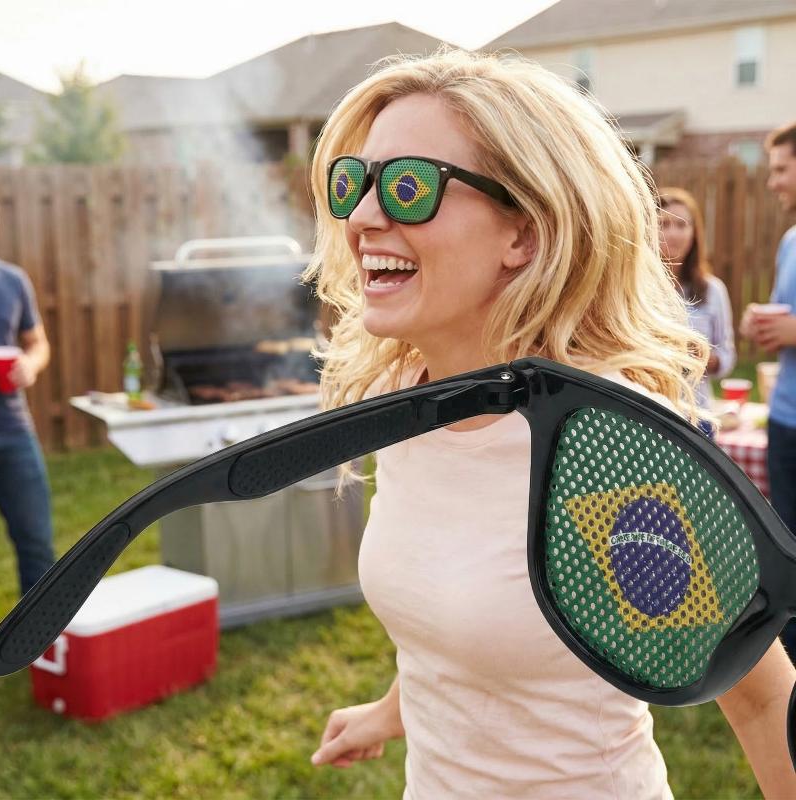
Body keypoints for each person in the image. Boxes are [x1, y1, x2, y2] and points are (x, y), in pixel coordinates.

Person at [306, 50, 796, 798]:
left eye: (409, 187)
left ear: (525, 234)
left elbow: (759, 697)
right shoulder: (406, 396)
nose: (363, 217)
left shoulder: (607, 447)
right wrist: (390, 711)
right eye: (354, 184)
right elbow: (463, 620)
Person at [740, 120, 796, 659]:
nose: (773, 181)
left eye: (781, 169)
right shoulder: (790, 241)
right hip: (784, 421)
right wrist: (759, 321)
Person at [0, 206, 56, 595]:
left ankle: (42, 631)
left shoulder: (12, 280)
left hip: (14, 431)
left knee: (37, 546)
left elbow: (37, 343)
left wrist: (30, 365)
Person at [658, 186, 736, 421]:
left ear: (694, 233)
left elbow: (727, 356)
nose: (673, 233)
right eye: (663, 224)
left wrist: (704, 357)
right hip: (650, 413)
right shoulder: (639, 288)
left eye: (681, 225)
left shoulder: (713, 290)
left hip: (697, 415)